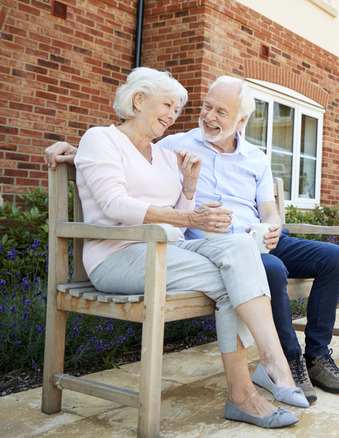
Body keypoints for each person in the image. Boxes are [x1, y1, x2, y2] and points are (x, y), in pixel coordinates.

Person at [45, 76, 339, 403]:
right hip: (202, 245)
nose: (209, 117)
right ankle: (286, 362)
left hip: (252, 239)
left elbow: (267, 209)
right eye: (206, 106)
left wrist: (272, 225)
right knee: (268, 269)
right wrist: (78, 152)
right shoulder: (175, 144)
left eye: (221, 112)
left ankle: (316, 357)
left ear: (241, 120)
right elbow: (124, 153)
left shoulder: (251, 157)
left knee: (332, 257)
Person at [69, 67, 306, 429]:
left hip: (168, 253)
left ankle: (265, 371)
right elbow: (115, 203)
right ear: (138, 100)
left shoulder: (166, 155)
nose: (173, 115)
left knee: (241, 248)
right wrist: (190, 219)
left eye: (178, 109)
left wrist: (190, 188)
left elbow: (180, 217)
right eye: (167, 105)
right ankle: (258, 382)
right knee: (235, 279)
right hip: (117, 256)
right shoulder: (101, 139)